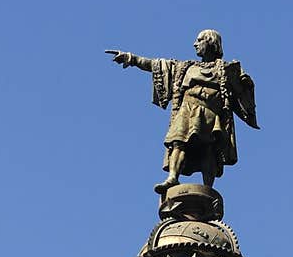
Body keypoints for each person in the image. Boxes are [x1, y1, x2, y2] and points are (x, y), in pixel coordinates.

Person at [106, 31, 258, 192]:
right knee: (178, 142)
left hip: (211, 113)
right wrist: (132, 58)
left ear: (211, 42)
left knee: (209, 150)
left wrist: (246, 84)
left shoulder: (227, 70)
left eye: (199, 40)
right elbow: (157, 65)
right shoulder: (186, 67)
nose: (195, 44)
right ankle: (172, 177)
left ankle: (208, 189)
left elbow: (243, 92)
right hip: (187, 110)